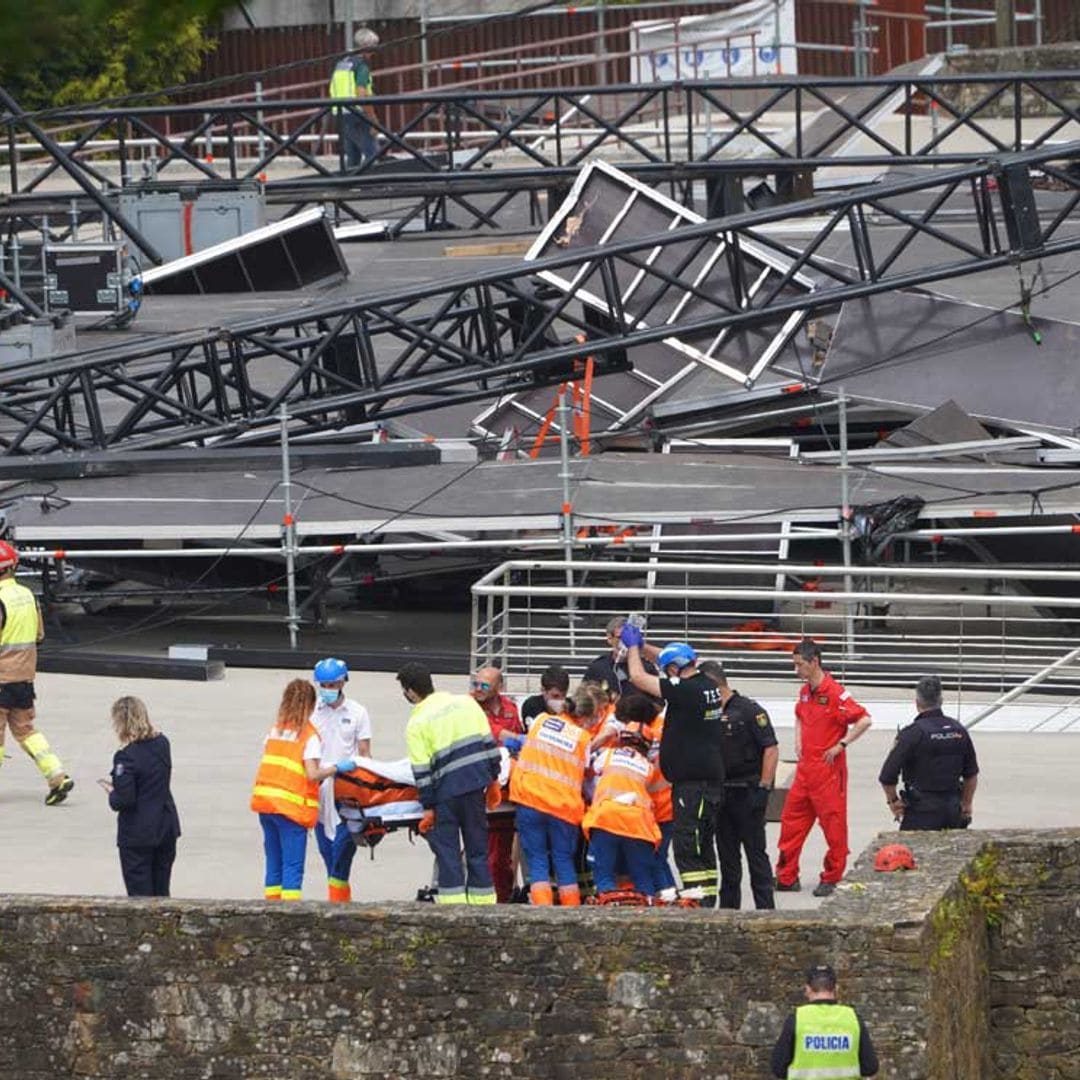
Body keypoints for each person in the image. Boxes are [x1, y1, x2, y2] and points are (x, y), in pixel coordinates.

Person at [623, 628, 726, 907]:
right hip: (706, 783)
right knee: (703, 846)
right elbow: (670, 661)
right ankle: (706, 899)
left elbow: (638, 678)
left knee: (687, 847)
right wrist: (644, 647)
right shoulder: (706, 683)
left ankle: (695, 903)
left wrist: (632, 649)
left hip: (693, 786)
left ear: (674, 669)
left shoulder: (687, 691)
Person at [775, 640, 872, 898]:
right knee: (791, 823)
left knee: (834, 827)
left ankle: (831, 877)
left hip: (829, 774)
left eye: (799, 665)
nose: (796, 670)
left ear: (814, 662)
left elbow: (864, 719)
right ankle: (786, 876)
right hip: (806, 771)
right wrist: (798, 740)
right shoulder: (805, 692)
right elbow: (799, 715)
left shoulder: (836, 693)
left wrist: (842, 744)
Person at [400, 662, 500, 906]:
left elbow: (422, 772)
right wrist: (493, 779)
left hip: (446, 793)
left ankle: (453, 910)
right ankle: (484, 907)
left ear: (411, 691)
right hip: (475, 786)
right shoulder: (466, 703)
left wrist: (427, 807)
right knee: (478, 850)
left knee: (449, 855)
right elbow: (489, 744)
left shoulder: (417, 723)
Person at [700, 660, 779, 910]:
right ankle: (729, 914)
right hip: (722, 794)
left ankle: (766, 914)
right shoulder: (708, 713)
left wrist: (764, 789)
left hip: (748, 792)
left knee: (757, 858)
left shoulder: (749, 710)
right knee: (728, 862)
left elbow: (771, 748)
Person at [0, 540, 73, 805]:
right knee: (27, 732)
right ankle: (57, 776)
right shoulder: (28, 596)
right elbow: (39, 635)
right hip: (23, 680)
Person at [507, 685, 594, 906]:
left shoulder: (541, 720)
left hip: (530, 800)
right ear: (585, 716)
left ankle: (542, 913)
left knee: (537, 861)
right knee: (564, 861)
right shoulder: (584, 738)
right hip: (563, 807)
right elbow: (586, 771)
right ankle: (570, 913)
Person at [251, 679, 332, 901]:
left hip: (266, 805)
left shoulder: (275, 731)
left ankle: (271, 910)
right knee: (293, 868)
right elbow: (313, 774)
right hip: (291, 809)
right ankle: (288, 916)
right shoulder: (309, 736)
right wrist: (335, 769)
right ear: (312, 704)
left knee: (273, 864)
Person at [101, 696, 181, 898]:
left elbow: (125, 800)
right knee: (162, 892)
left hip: (138, 835)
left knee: (140, 896)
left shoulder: (126, 757)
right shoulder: (163, 743)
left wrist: (112, 793)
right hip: (165, 826)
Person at [879, 675, 979, 831]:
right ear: (941, 701)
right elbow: (971, 774)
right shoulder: (959, 730)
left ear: (917, 703)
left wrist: (893, 802)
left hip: (921, 811)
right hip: (953, 810)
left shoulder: (911, 733)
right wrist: (966, 804)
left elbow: (887, 776)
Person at [310, 658, 372, 903]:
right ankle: (339, 902)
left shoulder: (358, 712)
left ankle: (338, 902)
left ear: (343, 681)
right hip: (318, 787)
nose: (327, 688)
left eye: (332, 683)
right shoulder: (311, 711)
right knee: (326, 850)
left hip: (348, 790)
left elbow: (365, 753)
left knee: (343, 847)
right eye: (323, 684)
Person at [583, 720, 661, 903]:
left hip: (606, 820)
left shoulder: (607, 755)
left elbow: (588, 771)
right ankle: (647, 922)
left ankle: (608, 915)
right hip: (637, 825)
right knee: (642, 879)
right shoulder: (647, 767)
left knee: (604, 877)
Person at [470, 664, 522, 903]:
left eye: (484, 685)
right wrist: (519, 740)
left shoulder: (511, 708)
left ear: (499, 687)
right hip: (481, 789)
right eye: (476, 684)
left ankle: (504, 895)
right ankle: (488, 898)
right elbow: (492, 733)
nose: (478, 689)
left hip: (508, 792)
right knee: (485, 853)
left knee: (503, 854)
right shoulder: (469, 707)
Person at [771, 963, 879, 1078]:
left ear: (807, 989)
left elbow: (778, 1068)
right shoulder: (853, 1018)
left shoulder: (797, 1018)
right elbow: (870, 1067)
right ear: (836, 988)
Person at [328, 27, 378, 168]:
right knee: (372, 154)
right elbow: (361, 94)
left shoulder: (341, 64)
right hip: (357, 115)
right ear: (368, 48)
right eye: (374, 48)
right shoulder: (361, 67)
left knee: (353, 156)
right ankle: (372, 187)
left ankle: (350, 186)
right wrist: (373, 120)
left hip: (340, 114)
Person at [584, 615, 657, 697]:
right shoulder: (597, 667)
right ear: (609, 638)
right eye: (620, 637)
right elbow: (584, 700)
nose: (625, 642)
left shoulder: (647, 667)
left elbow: (660, 704)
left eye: (628, 638)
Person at [520, 665, 570, 731]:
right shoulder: (531, 705)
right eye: (555, 696)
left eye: (564, 695)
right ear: (543, 690)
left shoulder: (571, 708)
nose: (560, 700)